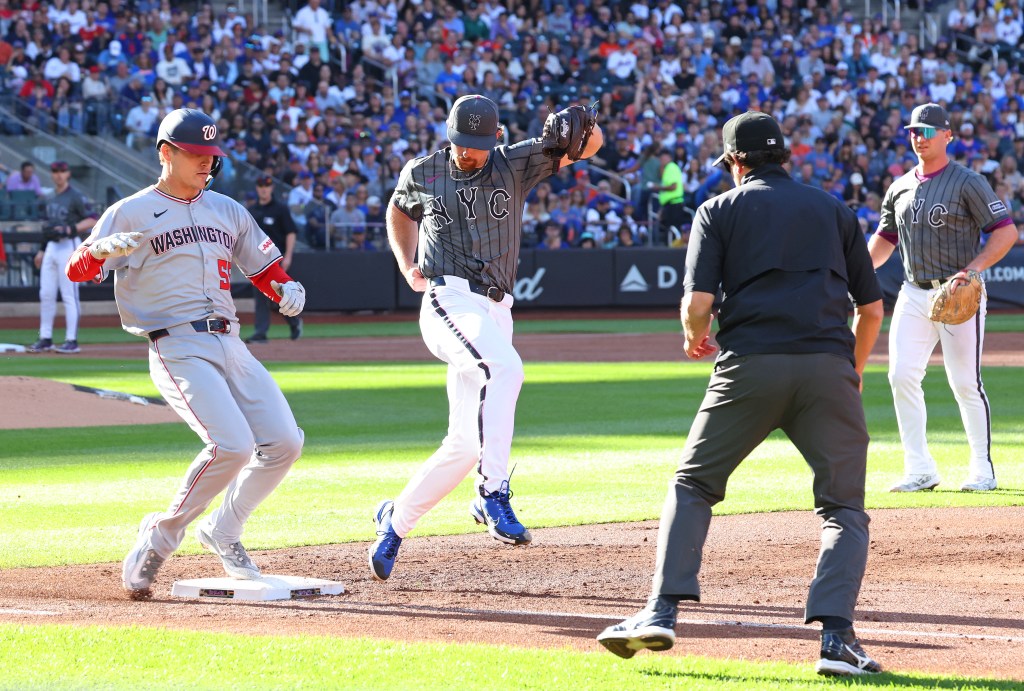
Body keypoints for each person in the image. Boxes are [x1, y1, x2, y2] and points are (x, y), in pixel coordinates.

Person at [596, 112, 885, 678]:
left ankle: (661, 610)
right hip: (827, 367)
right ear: (785, 157)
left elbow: (697, 303)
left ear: (735, 161)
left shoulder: (717, 210)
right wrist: (848, 370)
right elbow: (871, 309)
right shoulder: (834, 209)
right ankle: (837, 642)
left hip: (749, 366)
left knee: (694, 485)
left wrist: (692, 337)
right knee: (843, 507)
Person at [64, 109, 308, 598]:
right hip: (177, 344)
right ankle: (160, 536)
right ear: (166, 153)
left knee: (285, 442)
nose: (206, 163)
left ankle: (223, 530)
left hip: (230, 341)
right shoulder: (130, 211)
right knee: (232, 445)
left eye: (211, 156)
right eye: (196, 154)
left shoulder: (227, 209)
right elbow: (77, 271)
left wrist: (286, 287)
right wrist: (95, 252)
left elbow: (263, 268)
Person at [371, 95, 603, 581]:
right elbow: (398, 209)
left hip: (497, 308)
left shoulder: (515, 162)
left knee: (463, 444)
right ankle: (492, 492)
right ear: (448, 133)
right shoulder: (424, 170)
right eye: (460, 143)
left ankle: (394, 523)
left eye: (476, 145)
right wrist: (404, 261)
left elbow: (593, 145)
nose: (466, 153)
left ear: (494, 139)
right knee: (504, 368)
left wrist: (578, 129)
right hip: (448, 298)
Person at [867, 103, 1018, 493]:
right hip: (913, 292)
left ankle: (982, 469)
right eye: (915, 130)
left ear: (947, 135)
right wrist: (857, 269)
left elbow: (1005, 232)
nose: (920, 136)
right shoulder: (899, 185)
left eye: (928, 131)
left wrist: (972, 269)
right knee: (900, 377)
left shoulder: (968, 181)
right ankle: (920, 469)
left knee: (965, 383)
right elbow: (885, 240)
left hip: (958, 294)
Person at [28, 161, 97, 354]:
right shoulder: (48, 197)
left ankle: (71, 340)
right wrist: (42, 250)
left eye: (62, 171)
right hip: (51, 246)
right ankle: (45, 337)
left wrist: (72, 228)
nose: (58, 175)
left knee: (69, 294)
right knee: (46, 294)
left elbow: (93, 218)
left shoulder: (75, 196)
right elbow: (47, 227)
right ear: (51, 174)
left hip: (69, 244)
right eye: (55, 171)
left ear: (68, 174)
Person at [245, 175, 303, 344]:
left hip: (277, 261)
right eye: (261, 186)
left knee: (281, 297)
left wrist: (289, 255)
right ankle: (260, 333)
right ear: (257, 188)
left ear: (271, 188)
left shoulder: (280, 209)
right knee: (260, 299)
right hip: (257, 262)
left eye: (267, 186)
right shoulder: (252, 210)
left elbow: (291, 232)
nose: (264, 189)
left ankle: (294, 322)